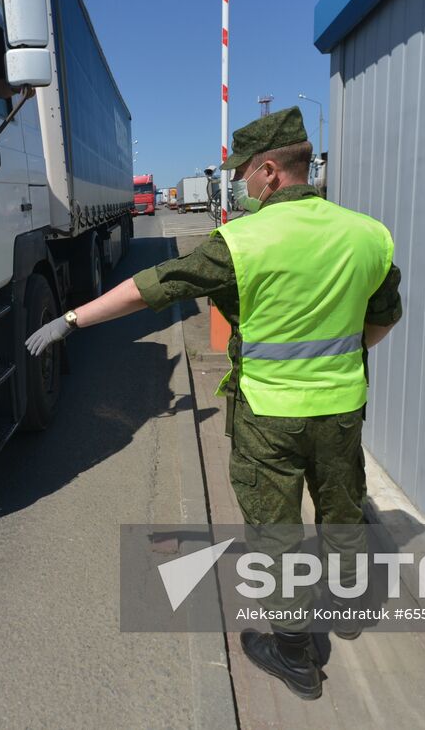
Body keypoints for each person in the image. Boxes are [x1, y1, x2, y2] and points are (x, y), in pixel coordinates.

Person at [25, 106, 401, 701]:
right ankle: (349, 609)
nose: (240, 184)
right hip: (342, 408)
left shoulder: (242, 242)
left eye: (245, 173)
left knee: (275, 530)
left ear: (271, 172)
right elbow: (380, 322)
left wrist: (72, 317)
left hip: (270, 417)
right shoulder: (368, 234)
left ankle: (295, 653)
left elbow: (153, 288)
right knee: (343, 507)